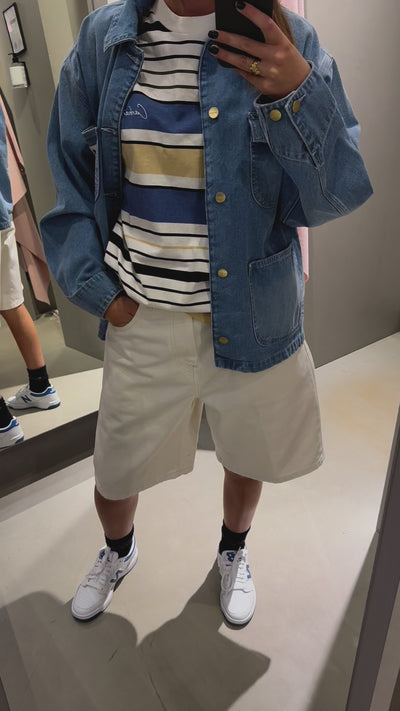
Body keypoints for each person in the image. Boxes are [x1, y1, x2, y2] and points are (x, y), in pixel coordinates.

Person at [40, 0, 372, 625]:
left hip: (254, 311)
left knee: (246, 455)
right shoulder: (104, 40)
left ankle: (232, 550)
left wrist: (297, 93)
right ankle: (118, 552)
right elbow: (71, 176)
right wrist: (100, 294)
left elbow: (336, 193)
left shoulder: (285, 37)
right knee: (116, 468)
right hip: (141, 313)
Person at [0, 104, 60, 450]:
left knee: (11, 303)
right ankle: (41, 386)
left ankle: (2, 423)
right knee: (11, 303)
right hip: (0, 214)